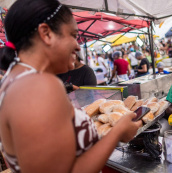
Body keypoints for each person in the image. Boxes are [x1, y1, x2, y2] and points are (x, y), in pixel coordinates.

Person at [0, 1, 142, 173]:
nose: (77, 45)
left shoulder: (16, 81)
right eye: (73, 35)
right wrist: (118, 133)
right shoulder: (37, 86)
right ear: (46, 33)